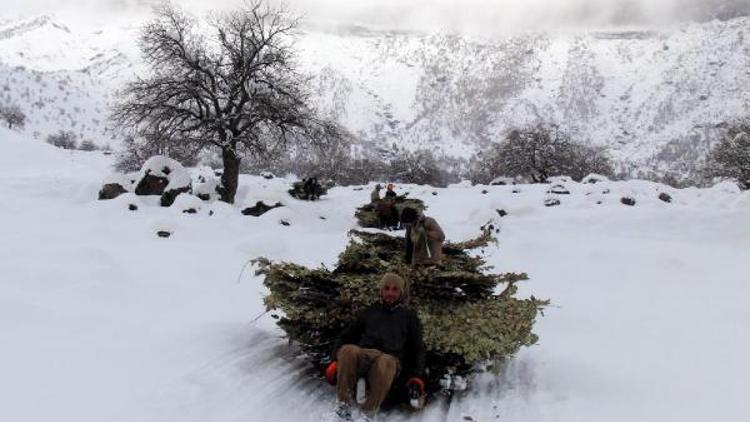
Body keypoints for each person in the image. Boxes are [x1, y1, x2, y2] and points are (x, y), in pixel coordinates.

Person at [326, 273, 426, 418]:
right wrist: (335, 360)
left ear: (401, 292)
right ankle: (342, 405)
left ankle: (368, 413)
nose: (390, 293)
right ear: (381, 290)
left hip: (389, 360)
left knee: (385, 361)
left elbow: (419, 348)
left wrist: (417, 377)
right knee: (348, 350)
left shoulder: (409, 317)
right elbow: (346, 336)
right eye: (386, 288)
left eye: (395, 289)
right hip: (365, 355)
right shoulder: (370, 311)